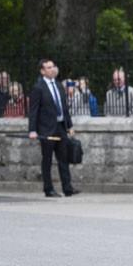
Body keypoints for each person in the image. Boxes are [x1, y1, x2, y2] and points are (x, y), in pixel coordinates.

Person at [27, 59, 80, 197]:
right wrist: (32, 130)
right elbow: (33, 110)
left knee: (64, 158)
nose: (52, 69)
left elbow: (64, 107)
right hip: (46, 129)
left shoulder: (58, 85)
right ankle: (48, 188)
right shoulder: (38, 87)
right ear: (42, 71)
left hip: (60, 126)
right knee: (47, 160)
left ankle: (67, 187)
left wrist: (69, 126)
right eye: (48, 67)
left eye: (53, 67)